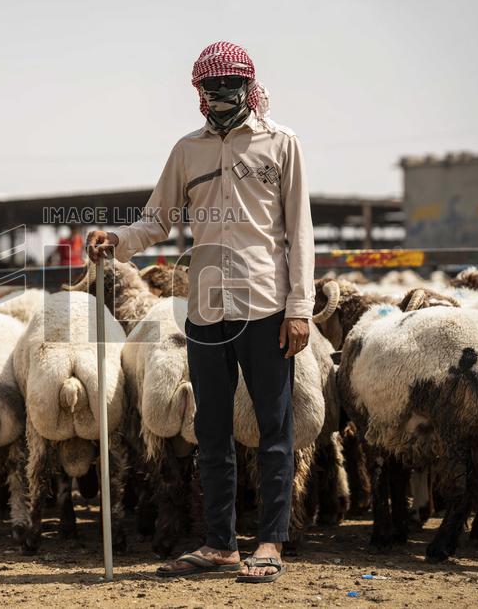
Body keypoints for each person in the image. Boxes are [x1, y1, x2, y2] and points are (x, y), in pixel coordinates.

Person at [87, 42, 313, 583]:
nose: (219, 95)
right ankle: (219, 544)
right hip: (206, 309)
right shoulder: (187, 150)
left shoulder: (282, 145)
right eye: (209, 87)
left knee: (274, 429)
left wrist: (300, 307)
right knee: (209, 428)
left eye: (230, 84)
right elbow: (155, 222)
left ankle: (270, 542)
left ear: (248, 84)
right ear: (198, 92)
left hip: (266, 306)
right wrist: (114, 241)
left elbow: (299, 233)